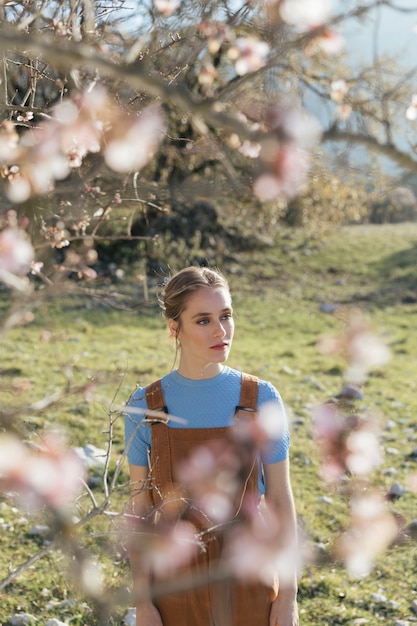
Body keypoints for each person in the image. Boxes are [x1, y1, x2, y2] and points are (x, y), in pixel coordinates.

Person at [124, 266, 299, 626]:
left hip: (251, 582)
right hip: (174, 587)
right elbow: (140, 511)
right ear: (175, 328)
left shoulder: (261, 398)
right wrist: (144, 603)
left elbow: (280, 500)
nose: (221, 331)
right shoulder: (145, 406)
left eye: (226, 316)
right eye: (203, 320)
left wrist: (288, 600)